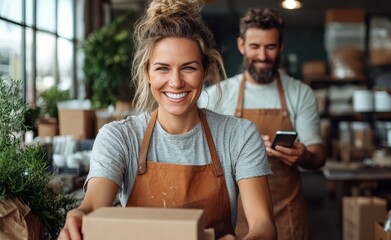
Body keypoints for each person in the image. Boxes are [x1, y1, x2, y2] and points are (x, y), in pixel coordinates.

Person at [58, 0, 277, 239]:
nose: (175, 82)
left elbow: (263, 225)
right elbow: (92, 207)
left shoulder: (239, 135)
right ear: (147, 73)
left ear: (205, 71)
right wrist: (81, 214)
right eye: (163, 68)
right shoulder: (119, 137)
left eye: (188, 68)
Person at [198, 7, 327, 240]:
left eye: (270, 47)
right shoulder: (217, 95)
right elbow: (200, 153)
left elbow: (318, 156)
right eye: (255, 47)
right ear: (241, 46)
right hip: (235, 218)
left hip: (287, 216)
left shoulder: (300, 93)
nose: (263, 56)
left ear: (281, 46)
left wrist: (303, 155)